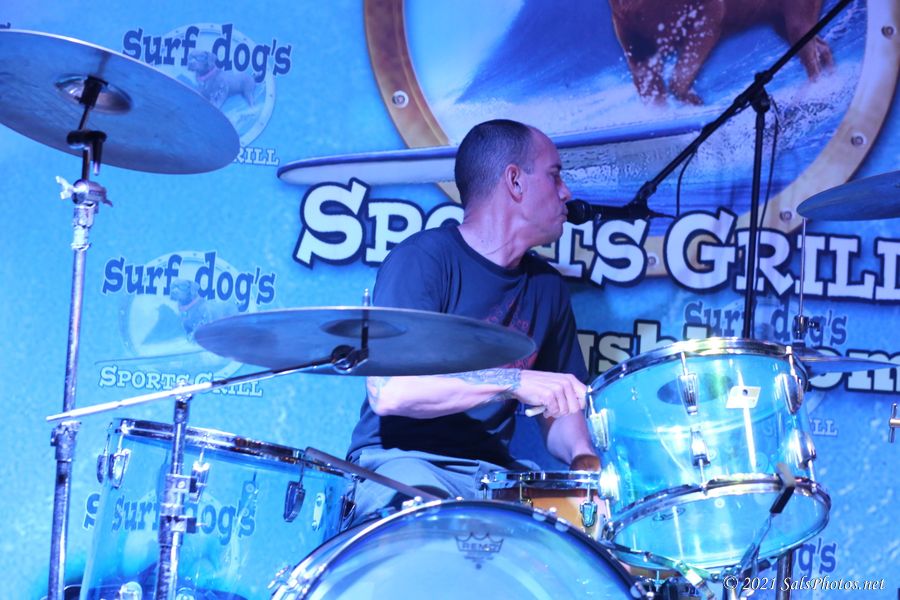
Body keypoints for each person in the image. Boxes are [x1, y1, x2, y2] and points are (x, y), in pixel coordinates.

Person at [345, 119, 599, 523]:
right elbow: (391, 393)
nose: (566, 192)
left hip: (492, 477)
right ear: (515, 181)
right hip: (406, 462)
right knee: (426, 525)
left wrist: (584, 461)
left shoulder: (548, 287)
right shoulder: (425, 259)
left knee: (556, 540)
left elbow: (559, 409)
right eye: (554, 176)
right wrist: (513, 382)